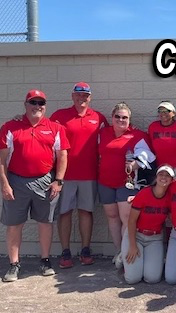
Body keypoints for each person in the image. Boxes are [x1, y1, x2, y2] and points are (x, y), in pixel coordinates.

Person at [1, 90, 70, 282]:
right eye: (33, 102)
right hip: (16, 182)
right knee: (14, 225)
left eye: (41, 103)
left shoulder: (55, 128)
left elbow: (62, 155)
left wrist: (58, 180)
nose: (37, 106)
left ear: (45, 106)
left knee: (45, 223)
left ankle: (45, 260)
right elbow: (2, 159)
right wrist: (5, 184)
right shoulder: (10, 127)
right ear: (25, 104)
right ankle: (14, 264)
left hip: (45, 182)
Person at [51, 82, 108, 269]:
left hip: (89, 174)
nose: (81, 98)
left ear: (89, 97)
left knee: (86, 211)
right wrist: (20, 119)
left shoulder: (98, 117)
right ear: (72, 96)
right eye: (78, 95)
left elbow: (110, 137)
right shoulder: (59, 116)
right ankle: (65, 251)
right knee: (64, 212)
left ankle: (85, 250)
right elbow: (42, 130)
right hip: (64, 175)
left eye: (85, 95)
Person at [98, 102, 156, 269]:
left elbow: (149, 158)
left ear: (129, 119)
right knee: (112, 217)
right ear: (112, 117)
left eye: (125, 117)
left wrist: (136, 165)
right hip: (105, 182)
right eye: (118, 116)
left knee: (126, 219)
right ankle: (119, 251)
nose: (121, 120)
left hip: (127, 184)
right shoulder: (103, 133)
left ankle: (125, 253)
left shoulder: (138, 135)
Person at [122, 165, 174, 284]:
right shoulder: (144, 193)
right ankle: (123, 259)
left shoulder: (170, 197)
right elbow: (131, 221)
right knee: (132, 279)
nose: (164, 178)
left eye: (167, 176)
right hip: (137, 236)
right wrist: (132, 245)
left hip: (155, 238)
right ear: (156, 177)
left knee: (152, 279)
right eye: (161, 174)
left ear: (172, 180)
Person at [148, 100, 176, 170]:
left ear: (173, 113)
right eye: (160, 111)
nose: (163, 113)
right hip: (160, 167)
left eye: (166, 111)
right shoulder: (153, 126)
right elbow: (149, 147)